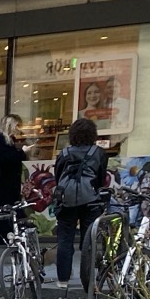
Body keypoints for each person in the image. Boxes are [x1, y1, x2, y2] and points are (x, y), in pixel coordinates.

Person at [50, 117, 109, 287]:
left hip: (66, 200)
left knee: (65, 240)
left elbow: (58, 176)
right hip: (91, 200)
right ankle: (87, 279)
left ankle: (63, 279)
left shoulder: (64, 153)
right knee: (88, 240)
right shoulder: (98, 153)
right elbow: (101, 178)